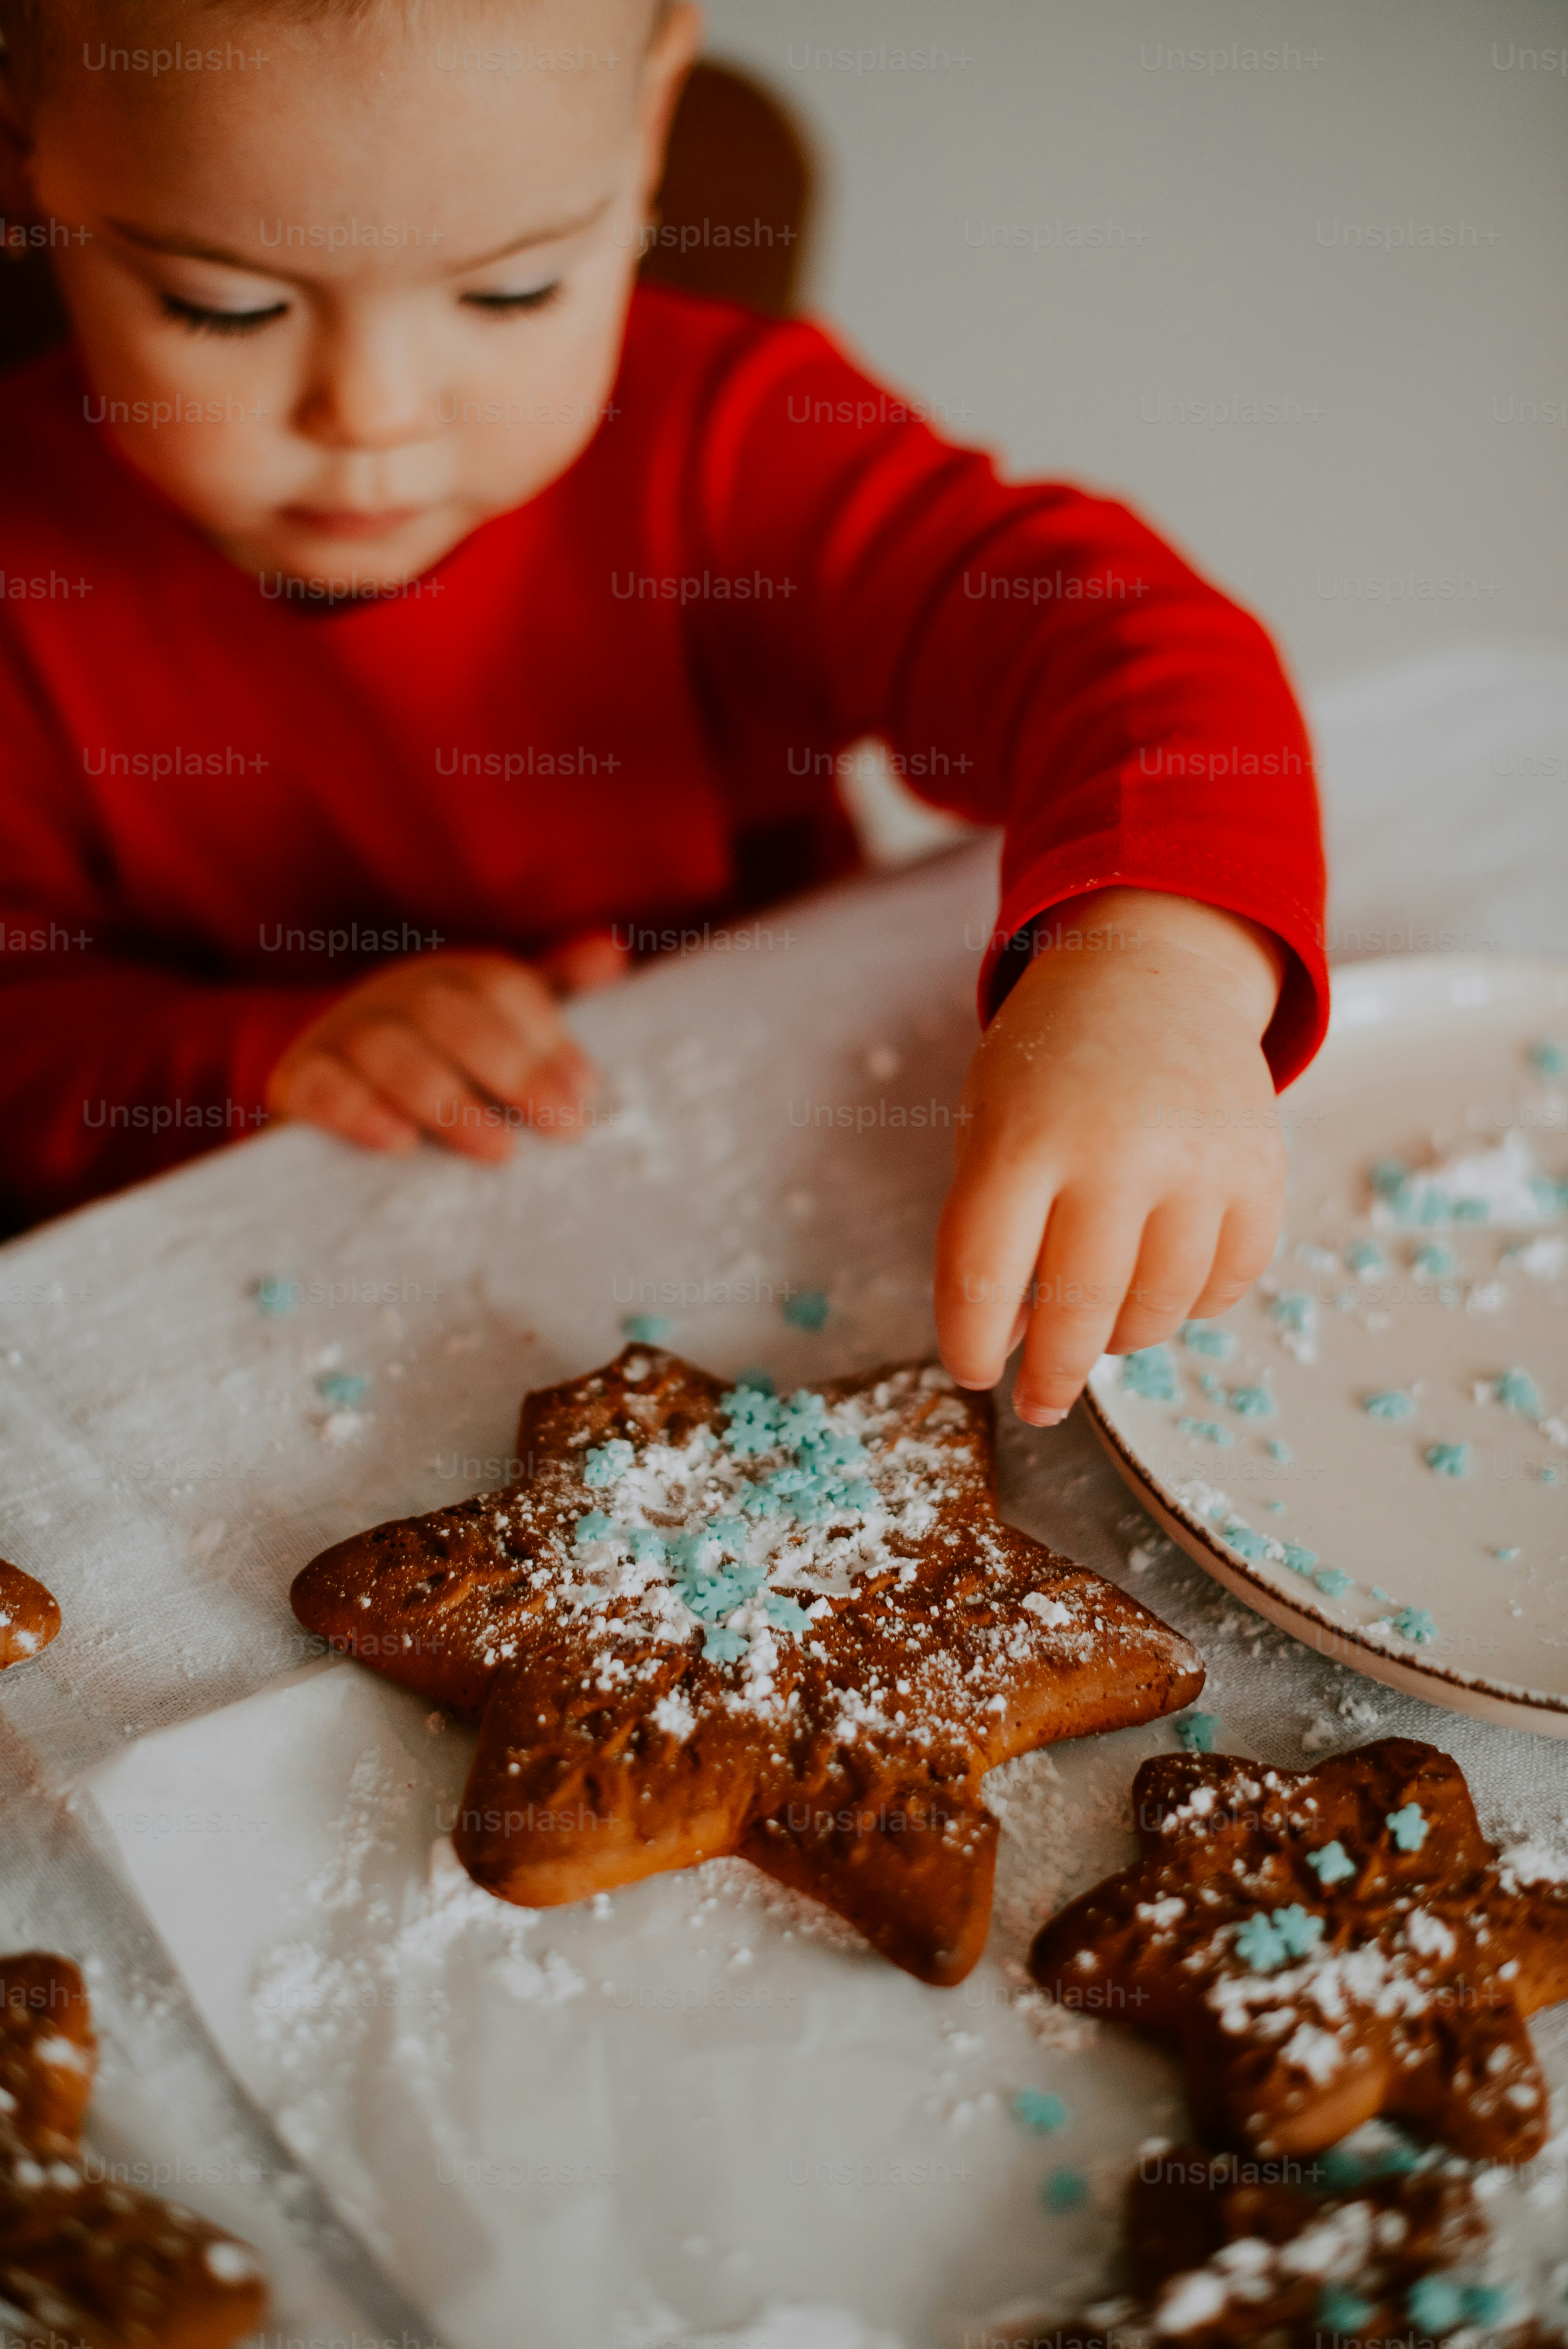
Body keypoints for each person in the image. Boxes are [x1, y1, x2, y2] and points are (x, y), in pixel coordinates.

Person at [0, 0, 1326, 1428]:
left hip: (796, 1219)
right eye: (224, 305)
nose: (373, 412)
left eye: (510, 295)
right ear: (26, 141)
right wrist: (269, 1051)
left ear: (647, 129)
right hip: (274, 1322)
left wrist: (1158, 965)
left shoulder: (733, 448)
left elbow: (1112, 639)